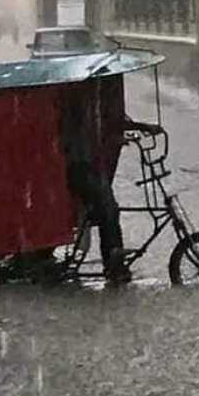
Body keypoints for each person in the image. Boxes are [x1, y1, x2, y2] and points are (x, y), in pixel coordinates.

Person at [61, 81, 128, 283]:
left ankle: (114, 257)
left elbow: (111, 123)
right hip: (79, 167)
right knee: (108, 208)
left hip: (88, 166)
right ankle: (113, 261)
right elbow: (82, 139)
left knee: (109, 208)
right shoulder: (77, 106)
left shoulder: (92, 104)